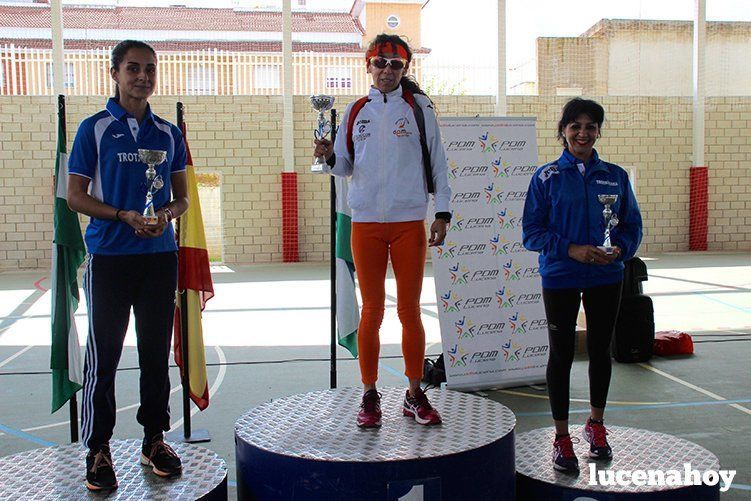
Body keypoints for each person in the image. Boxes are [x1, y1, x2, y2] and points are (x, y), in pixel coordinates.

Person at [67, 40, 189, 491]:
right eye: (133, 68)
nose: (143, 76)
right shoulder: (93, 129)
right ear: (114, 73)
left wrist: (164, 218)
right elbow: (75, 195)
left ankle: (154, 439)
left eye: (150, 69)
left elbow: (182, 198)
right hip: (110, 259)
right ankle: (98, 447)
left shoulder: (166, 133)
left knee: (156, 355)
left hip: (159, 259)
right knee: (105, 358)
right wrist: (123, 215)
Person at [313, 34, 451, 428]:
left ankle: (413, 393)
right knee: (371, 311)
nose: (387, 70)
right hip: (367, 222)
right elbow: (343, 166)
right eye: (380, 62)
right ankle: (370, 394)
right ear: (368, 65)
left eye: (396, 64)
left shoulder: (419, 108)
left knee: (410, 311)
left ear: (405, 68)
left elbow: (439, 163)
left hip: (409, 222)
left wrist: (442, 213)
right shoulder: (357, 110)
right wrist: (327, 157)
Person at [522, 98, 643, 473]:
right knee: (560, 355)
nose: (583, 133)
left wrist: (620, 248)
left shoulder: (615, 176)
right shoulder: (546, 177)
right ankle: (561, 437)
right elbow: (531, 232)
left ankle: (596, 425)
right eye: (575, 125)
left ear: (598, 132)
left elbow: (631, 225)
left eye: (590, 126)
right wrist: (570, 249)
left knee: (600, 350)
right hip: (560, 276)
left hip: (607, 276)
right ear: (563, 131)